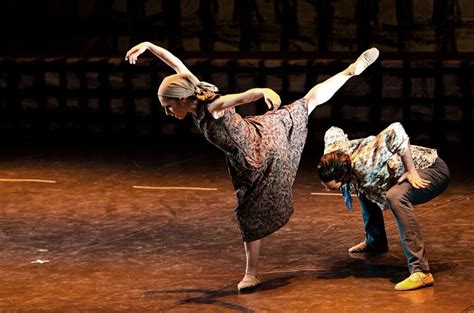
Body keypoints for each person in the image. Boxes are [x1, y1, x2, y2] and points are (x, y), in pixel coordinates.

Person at [125, 41, 379, 291]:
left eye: (168, 107)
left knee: (247, 211)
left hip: (259, 149)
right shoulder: (194, 88)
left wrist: (260, 92)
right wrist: (149, 46)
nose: (168, 113)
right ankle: (349, 72)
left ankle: (251, 274)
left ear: (181, 100)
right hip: (259, 134)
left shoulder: (211, 106)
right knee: (307, 103)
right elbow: (176, 64)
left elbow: (236, 99)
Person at [317, 122, 450, 291]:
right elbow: (333, 130)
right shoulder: (332, 154)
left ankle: (421, 271)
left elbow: (396, 129)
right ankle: (376, 241)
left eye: (330, 185)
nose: (326, 188)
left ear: (342, 175)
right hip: (378, 172)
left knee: (395, 196)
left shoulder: (366, 161)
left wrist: (411, 170)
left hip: (430, 169)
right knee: (361, 185)